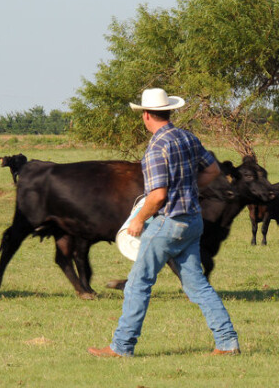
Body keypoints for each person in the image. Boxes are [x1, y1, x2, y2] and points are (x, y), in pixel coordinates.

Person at [87, 88, 240, 358]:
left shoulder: (156, 148)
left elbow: (158, 196)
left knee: (137, 284)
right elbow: (214, 170)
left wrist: (137, 220)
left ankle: (122, 347)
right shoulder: (188, 137)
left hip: (167, 223)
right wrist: (190, 187)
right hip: (192, 222)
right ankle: (227, 342)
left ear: (146, 115)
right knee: (197, 285)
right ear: (168, 111)